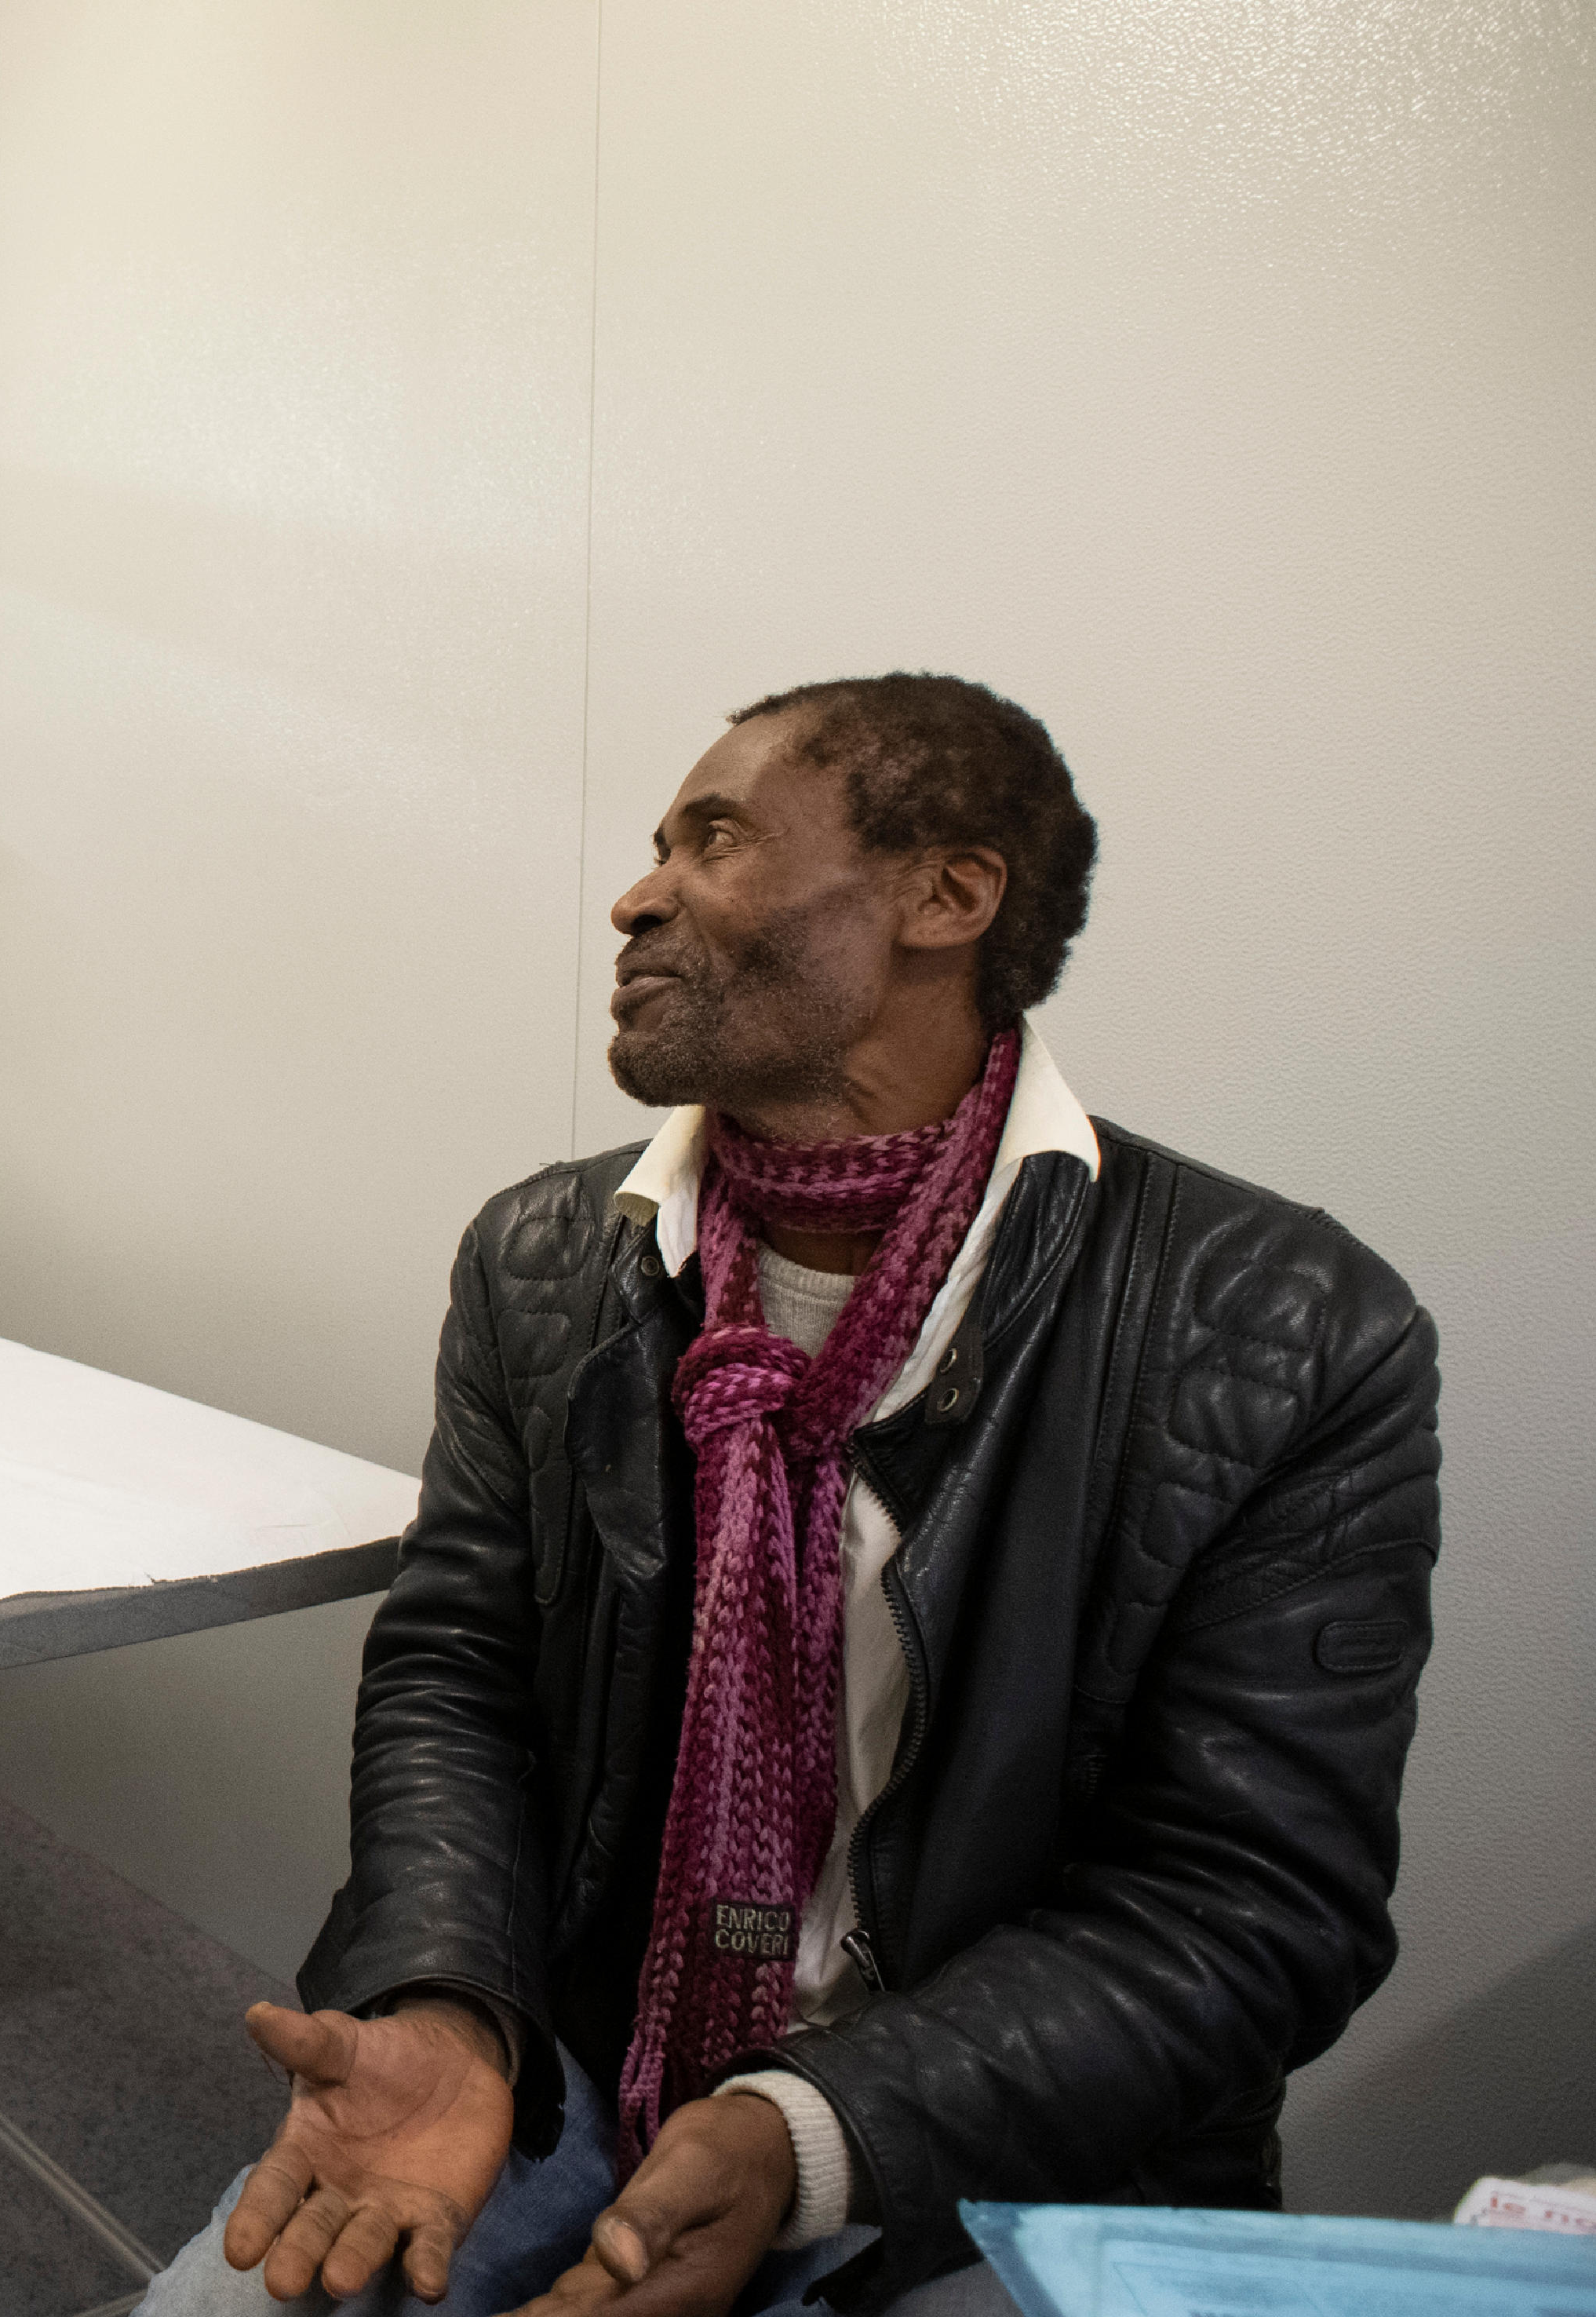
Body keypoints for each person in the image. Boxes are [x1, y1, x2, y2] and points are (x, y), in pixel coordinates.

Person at [140, 674, 1437, 2315]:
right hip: (584, 2067)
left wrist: (802, 2134)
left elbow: (1247, 1905)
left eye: (716, 838)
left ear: (946, 896)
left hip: (996, 2155)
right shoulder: (545, 1255)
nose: (637, 897)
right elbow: (455, 1672)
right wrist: (449, 2001)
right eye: (657, 847)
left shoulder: (1283, 1329)